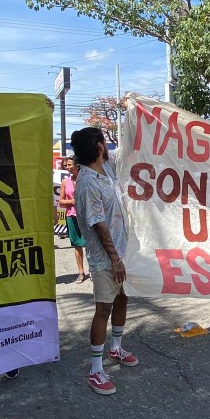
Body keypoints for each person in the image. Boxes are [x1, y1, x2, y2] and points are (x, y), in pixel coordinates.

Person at [71, 127, 138, 396]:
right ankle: (95, 370)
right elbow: (98, 224)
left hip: (123, 254)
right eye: (105, 141)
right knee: (103, 309)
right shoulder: (87, 182)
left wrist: (132, 109)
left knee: (123, 299)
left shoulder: (106, 171)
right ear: (99, 145)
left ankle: (116, 347)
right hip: (105, 260)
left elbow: (130, 151)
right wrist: (114, 259)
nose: (109, 146)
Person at [58, 157, 89, 284]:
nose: (67, 167)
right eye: (66, 165)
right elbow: (60, 201)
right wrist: (72, 201)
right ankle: (81, 272)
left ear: (77, 166)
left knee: (90, 245)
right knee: (77, 245)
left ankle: (92, 271)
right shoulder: (65, 182)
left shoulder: (86, 180)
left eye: (69, 165)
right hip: (72, 216)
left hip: (87, 216)